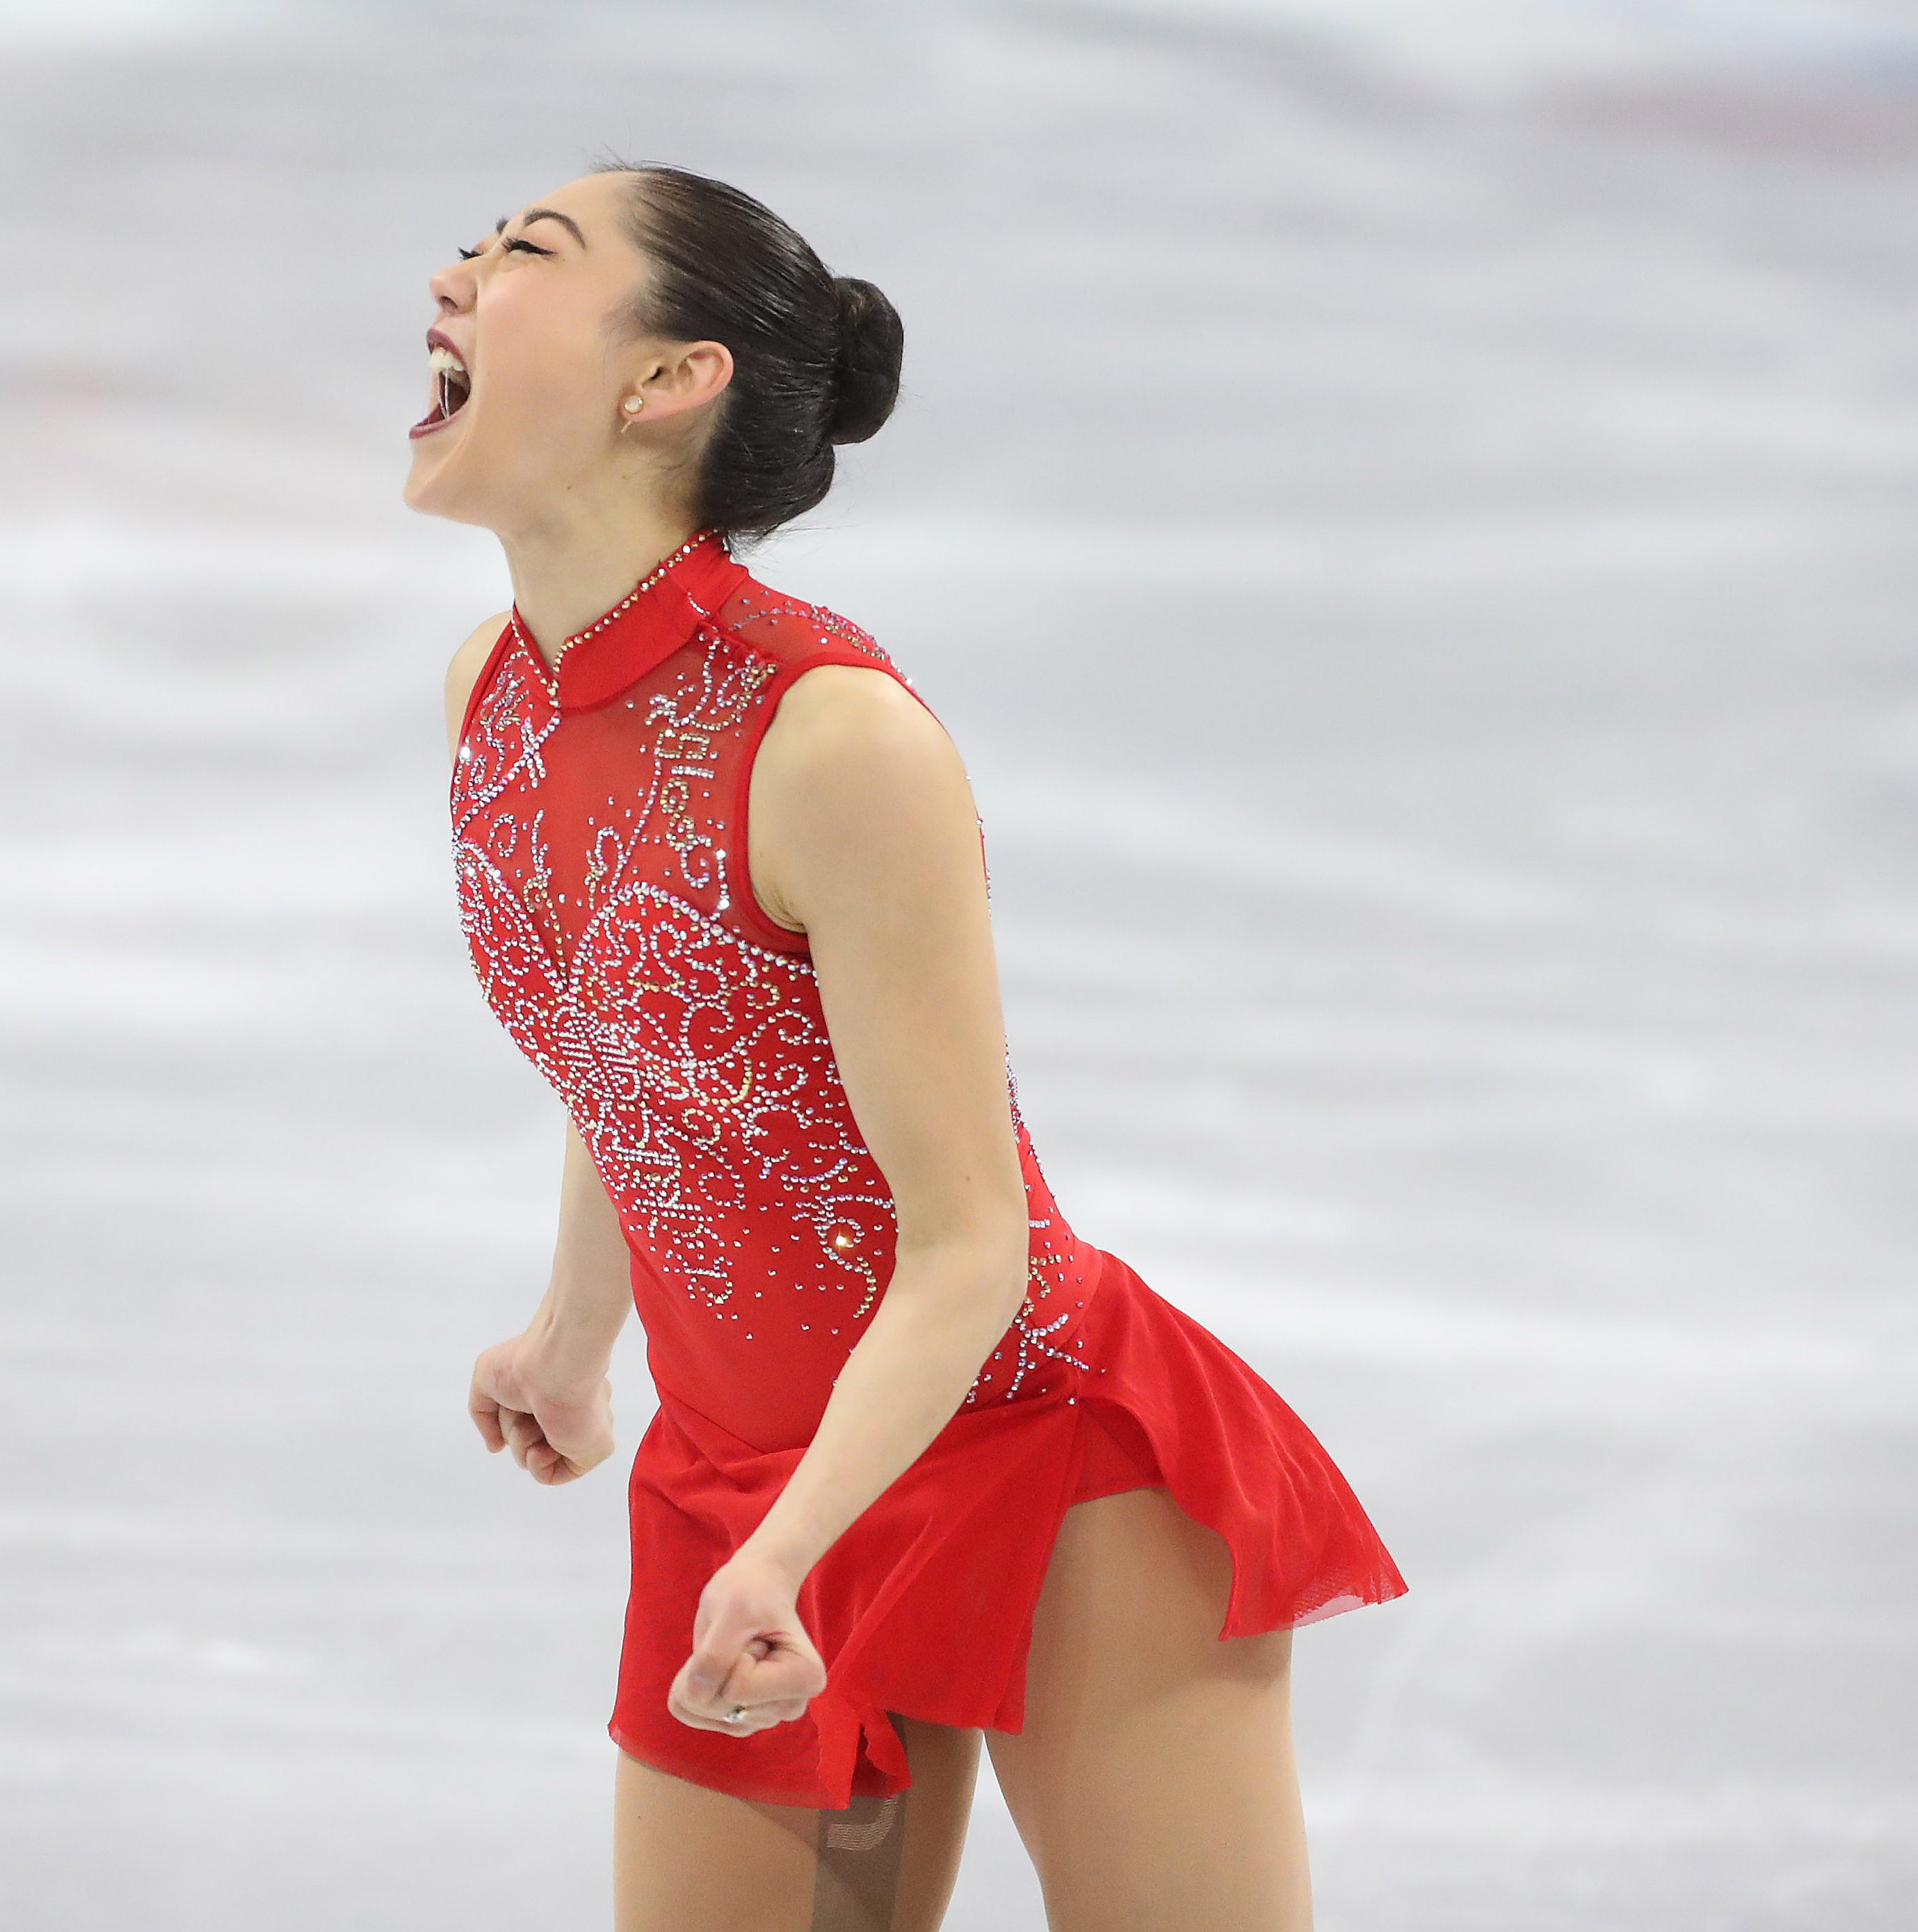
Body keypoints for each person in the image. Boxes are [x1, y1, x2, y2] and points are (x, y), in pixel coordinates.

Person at [411, 161, 1408, 1932]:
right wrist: (579, 1335)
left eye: (525, 255)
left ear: (667, 381)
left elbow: (971, 1246)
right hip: (741, 1472)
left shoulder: (832, 739)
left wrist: (795, 1550)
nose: (458, 274)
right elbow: (633, 1045)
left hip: (1029, 1445)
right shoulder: (492, 687)